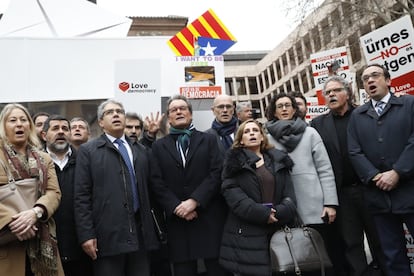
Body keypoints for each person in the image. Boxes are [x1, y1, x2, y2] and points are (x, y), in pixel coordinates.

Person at [74, 99, 159, 276]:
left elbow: (153, 189)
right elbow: (81, 196)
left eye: (119, 111)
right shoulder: (88, 151)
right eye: (110, 112)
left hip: (140, 236)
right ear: (101, 122)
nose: (116, 115)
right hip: (108, 236)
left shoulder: (141, 150)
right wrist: (86, 235)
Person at [311, 76, 385, 276]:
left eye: (336, 90)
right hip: (342, 194)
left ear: (348, 92)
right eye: (328, 93)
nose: (331, 95)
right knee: (351, 245)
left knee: (380, 241)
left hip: (371, 189)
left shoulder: (365, 114)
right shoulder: (317, 124)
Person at [150, 95, 229, 276]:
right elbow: (156, 181)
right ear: (168, 117)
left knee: (217, 270)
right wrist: (177, 207)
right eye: (173, 110)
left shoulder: (208, 140)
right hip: (178, 223)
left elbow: (217, 173)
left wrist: (194, 201)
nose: (178, 112)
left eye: (183, 108)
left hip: (209, 217)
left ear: (191, 115)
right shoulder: (158, 147)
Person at [347, 64, 414, 276]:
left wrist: (397, 172)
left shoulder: (409, 104)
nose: (370, 81)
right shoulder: (358, 115)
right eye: (365, 79)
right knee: (392, 255)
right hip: (379, 197)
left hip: (410, 191)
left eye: (375, 76)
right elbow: (354, 151)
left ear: (388, 80)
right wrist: (375, 176)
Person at [265, 92, 339, 275]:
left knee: (317, 256)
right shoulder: (266, 137)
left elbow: (325, 169)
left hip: (314, 204)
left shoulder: (311, 132)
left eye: (287, 105)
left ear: (294, 109)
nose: (284, 109)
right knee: (290, 258)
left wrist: (330, 203)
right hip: (283, 204)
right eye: (279, 106)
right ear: (274, 111)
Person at [219, 119, 297, 276]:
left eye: (255, 130)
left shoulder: (279, 160)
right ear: (241, 140)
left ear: (262, 137)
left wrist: (278, 212)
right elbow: (234, 196)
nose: (251, 134)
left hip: (278, 230)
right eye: (246, 132)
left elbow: (289, 197)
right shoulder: (233, 164)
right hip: (246, 234)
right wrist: (263, 214)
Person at [0, 103, 63, 276]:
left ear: (30, 126)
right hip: (8, 246)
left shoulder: (44, 158)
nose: (19, 124)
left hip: (42, 242)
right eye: (12, 120)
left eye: (23, 120)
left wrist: (35, 213)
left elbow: (53, 192)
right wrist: (14, 222)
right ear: (3, 126)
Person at [42, 114, 93, 276]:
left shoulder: (85, 161)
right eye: (55, 128)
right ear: (44, 135)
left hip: (80, 248)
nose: (61, 132)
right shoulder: (35, 163)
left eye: (65, 128)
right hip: (45, 247)